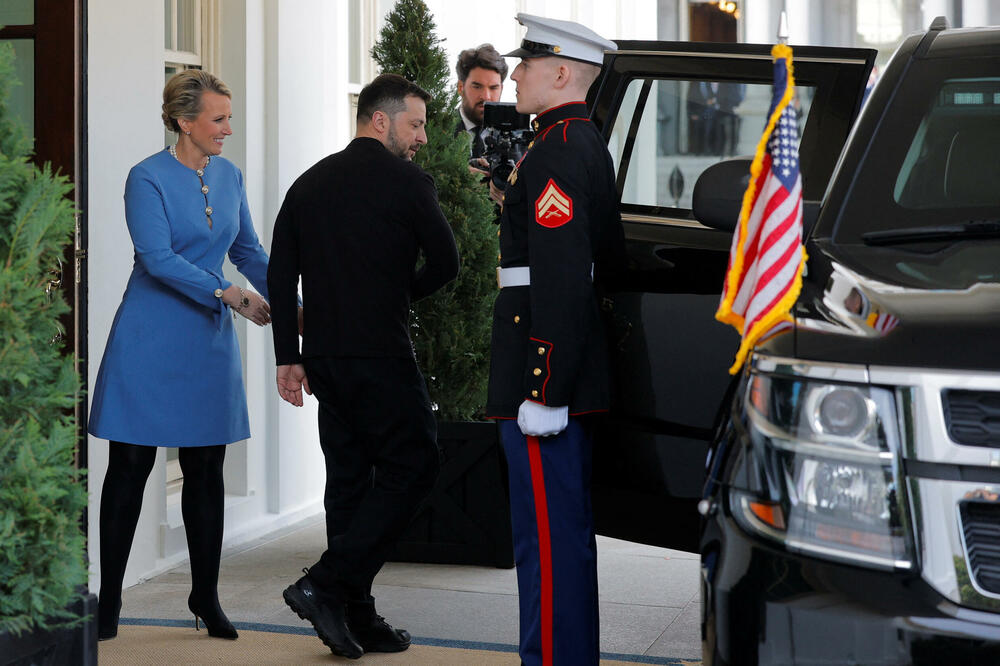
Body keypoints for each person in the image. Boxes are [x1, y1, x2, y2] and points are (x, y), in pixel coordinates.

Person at [267, 73, 459, 659]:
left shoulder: (308, 183)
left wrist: (288, 358)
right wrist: (399, 296)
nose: (422, 136)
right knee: (415, 465)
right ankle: (325, 584)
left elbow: (280, 276)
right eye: (417, 123)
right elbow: (447, 263)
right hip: (381, 353)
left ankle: (354, 613)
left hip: (323, 359)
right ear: (382, 119)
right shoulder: (408, 183)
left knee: (349, 483)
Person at [89, 69, 275, 642]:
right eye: (218, 118)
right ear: (183, 120)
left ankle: (206, 595)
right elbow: (156, 257)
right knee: (129, 469)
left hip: (207, 341)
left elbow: (247, 249)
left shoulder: (229, 175)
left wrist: (296, 301)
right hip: (150, 336)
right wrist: (228, 293)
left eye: (227, 116)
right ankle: (111, 600)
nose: (227, 128)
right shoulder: (146, 177)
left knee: (205, 471)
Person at [486, 14, 625, 666]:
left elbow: (563, 282)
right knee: (556, 536)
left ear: (562, 72)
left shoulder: (558, 151)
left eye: (528, 63)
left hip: (544, 381)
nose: (515, 73)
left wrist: (544, 388)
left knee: (547, 539)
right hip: (557, 371)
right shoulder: (572, 142)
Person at [455, 43, 507, 159]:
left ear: (501, 89)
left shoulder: (518, 137)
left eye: (493, 88)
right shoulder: (436, 132)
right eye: (477, 87)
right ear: (460, 87)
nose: (486, 97)